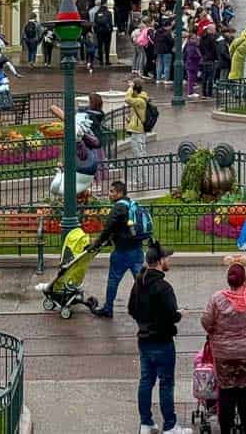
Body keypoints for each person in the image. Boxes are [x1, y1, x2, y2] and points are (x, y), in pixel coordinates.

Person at [201, 262, 246, 434]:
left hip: (224, 355)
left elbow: (205, 320)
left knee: (226, 392)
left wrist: (212, 330)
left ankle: (226, 428)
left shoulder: (217, 298)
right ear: (244, 279)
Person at [128, 244, 185, 434]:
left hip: (144, 340)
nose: (169, 261)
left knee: (146, 381)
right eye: (167, 258)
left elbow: (131, 309)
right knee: (166, 383)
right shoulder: (164, 287)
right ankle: (169, 425)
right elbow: (170, 314)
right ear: (160, 261)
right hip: (163, 341)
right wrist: (178, 315)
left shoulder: (139, 282)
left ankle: (146, 423)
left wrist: (145, 322)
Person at [92, 181, 147, 319]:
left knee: (113, 280)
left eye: (112, 191)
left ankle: (108, 308)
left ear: (119, 193)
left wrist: (96, 243)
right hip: (138, 250)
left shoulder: (118, 208)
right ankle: (149, 309)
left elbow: (108, 229)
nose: (109, 194)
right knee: (141, 282)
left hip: (122, 252)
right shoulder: (132, 205)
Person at [125, 81, 149, 156]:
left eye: (132, 91)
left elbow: (127, 99)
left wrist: (130, 88)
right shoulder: (139, 98)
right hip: (136, 128)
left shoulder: (140, 100)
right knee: (137, 149)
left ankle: (141, 165)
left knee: (139, 150)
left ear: (135, 91)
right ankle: (140, 163)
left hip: (138, 129)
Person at [94, 3, 114, 67]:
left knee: (100, 47)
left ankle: (101, 61)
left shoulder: (97, 13)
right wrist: (110, 30)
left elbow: (95, 22)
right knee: (107, 47)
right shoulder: (109, 13)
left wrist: (96, 31)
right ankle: (107, 61)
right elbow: (111, 23)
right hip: (107, 32)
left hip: (99, 32)